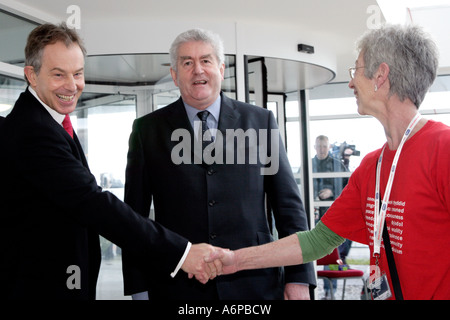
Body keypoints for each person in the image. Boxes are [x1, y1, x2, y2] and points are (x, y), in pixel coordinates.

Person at [210, 24, 450, 300]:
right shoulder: (372, 167)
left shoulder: (443, 151)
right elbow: (317, 241)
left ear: (380, 76)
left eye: (356, 70)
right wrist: (235, 260)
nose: (351, 82)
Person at [0, 23, 223, 300]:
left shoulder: (51, 122)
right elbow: (93, 203)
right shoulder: (32, 130)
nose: (72, 85)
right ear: (31, 76)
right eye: (58, 74)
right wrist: (183, 253)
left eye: (78, 73)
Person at [122, 28, 315, 300]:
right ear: (175, 75)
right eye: (187, 63)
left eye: (206, 61)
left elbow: (289, 207)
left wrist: (299, 280)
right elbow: (134, 217)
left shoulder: (260, 122)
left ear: (221, 69)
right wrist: (138, 288)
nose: (198, 70)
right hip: (178, 287)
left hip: (255, 285)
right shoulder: (147, 130)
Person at [312, 135, 350, 298]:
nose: (321, 150)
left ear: (328, 147)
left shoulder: (337, 165)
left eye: (324, 147)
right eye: (319, 146)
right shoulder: (308, 165)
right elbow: (298, 185)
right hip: (313, 216)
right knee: (314, 252)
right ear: (314, 147)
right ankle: (315, 289)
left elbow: (350, 188)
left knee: (332, 250)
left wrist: (332, 193)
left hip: (333, 216)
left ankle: (330, 290)